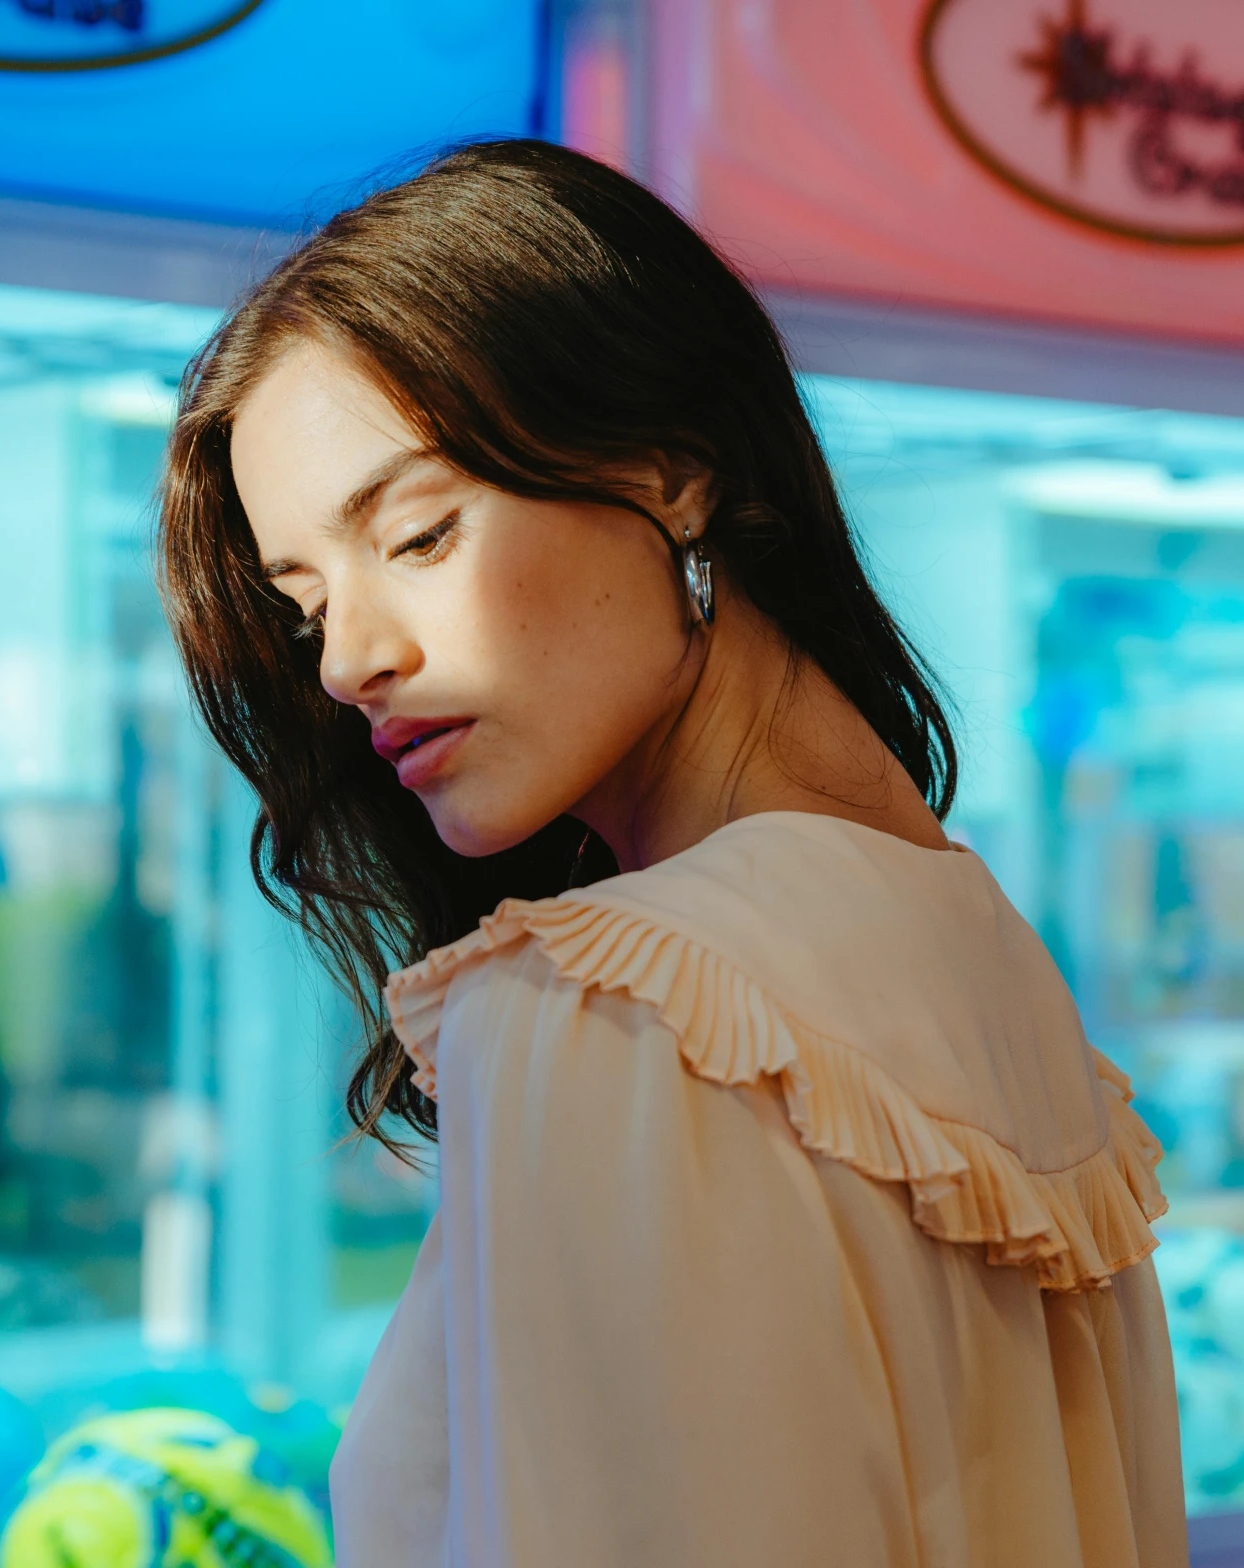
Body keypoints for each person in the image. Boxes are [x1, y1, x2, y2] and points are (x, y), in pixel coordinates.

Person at [158, 139, 1187, 1568]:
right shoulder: (981, 951)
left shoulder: (609, 1008)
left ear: (672, 471)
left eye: (418, 533)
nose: (348, 662)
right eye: (302, 605)